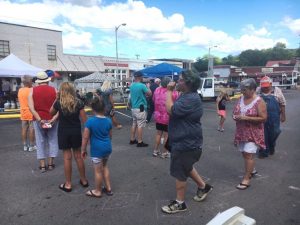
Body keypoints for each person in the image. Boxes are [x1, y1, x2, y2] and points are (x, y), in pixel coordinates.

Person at [161, 71, 213, 214]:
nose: (177, 81)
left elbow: (171, 110)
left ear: (188, 83)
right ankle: (203, 186)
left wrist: (168, 91)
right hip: (185, 140)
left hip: (185, 142)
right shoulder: (187, 96)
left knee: (180, 172)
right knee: (186, 166)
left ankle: (180, 203)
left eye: (181, 80)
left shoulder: (190, 98)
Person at [50, 82, 88, 192]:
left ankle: (68, 184)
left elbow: (51, 113)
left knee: (67, 157)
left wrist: (56, 98)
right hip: (75, 131)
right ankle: (84, 180)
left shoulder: (59, 103)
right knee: (78, 156)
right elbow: (85, 120)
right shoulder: (78, 102)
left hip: (63, 132)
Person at [233, 78, 267, 190]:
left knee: (248, 154)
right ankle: (252, 169)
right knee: (244, 153)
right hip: (241, 132)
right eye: (242, 89)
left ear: (253, 89)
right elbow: (236, 111)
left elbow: (263, 118)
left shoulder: (259, 101)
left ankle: (247, 178)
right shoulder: (241, 99)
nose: (242, 92)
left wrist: (246, 117)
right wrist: (235, 116)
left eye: (245, 90)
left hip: (253, 133)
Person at [81, 97, 113, 198]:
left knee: (98, 171)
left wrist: (83, 149)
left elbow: (85, 138)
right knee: (105, 167)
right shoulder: (108, 121)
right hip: (107, 148)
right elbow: (110, 136)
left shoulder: (90, 122)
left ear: (92, 109)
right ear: (104, 108)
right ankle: (108, 188)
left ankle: (98, 191)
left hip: (97, 150)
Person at [28, 71, 59, 173]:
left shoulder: (32, 91)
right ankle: (50, 164)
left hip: (38, 120)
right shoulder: (55, 90)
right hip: (52, 119)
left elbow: (31, 108)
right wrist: (53, 118)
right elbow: (59, 106)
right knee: (52, 140)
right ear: (47, 80)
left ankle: (42, 166)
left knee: (40, 141)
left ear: (38, 82)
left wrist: (39, 119)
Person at [257, 76, 286, 158]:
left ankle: (271, 145)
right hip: (261, 116)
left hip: (274, 117)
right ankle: (263, 151)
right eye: (263, 87)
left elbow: (282, 103)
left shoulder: (277, 91)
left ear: (271, 84)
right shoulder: (258, 91)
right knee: (262, 134)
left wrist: (283, 115)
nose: (265, 88)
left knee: (275, 132)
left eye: (267, 86)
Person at [152, 76, 178, 158]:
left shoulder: (157, 90)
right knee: (167, 135)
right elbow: (176, 103)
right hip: (168, 116)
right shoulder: (173, 92)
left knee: (159, 133)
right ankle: (165, 152)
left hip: (158, 115)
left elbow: (153, 99)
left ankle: (155, 150)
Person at [128, 71, 152, 147]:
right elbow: (149, 94)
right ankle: (140, 141)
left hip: (134, 107)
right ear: (140, 77)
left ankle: (132, 139)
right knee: (140, 124)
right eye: (142, 77)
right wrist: (148, 87)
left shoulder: (132, 85)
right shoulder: (142, 85)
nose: (143, 78)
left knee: (134, 123)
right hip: (140, 107)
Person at [18, 75, 36, 152]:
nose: (32, 82)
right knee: (32, 129)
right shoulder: (32, 90)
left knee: (24, 129)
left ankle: (25, 145)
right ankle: (32, 145)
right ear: (29, 82)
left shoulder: (20, 90)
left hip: (23, 111)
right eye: (31, 81)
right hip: (31, 111)